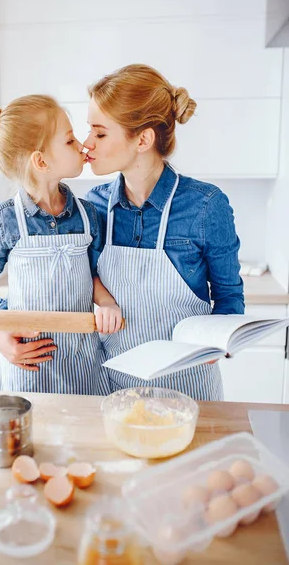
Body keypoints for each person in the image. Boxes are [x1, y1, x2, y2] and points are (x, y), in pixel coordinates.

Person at [83, 64, 244, 400]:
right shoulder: (92, 206)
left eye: (99, 133)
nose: (86, 145)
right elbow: (66, 287)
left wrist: (220, 342)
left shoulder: (205, 206)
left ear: (143, 139)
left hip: (190, 392)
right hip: (112, 391)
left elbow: (229, 299)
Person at [0, 95, 122, 394]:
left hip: (81, 361)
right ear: (41, 161)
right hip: (28, 364)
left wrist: (106, 303)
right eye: (69, 141)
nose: (81, 144)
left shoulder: (88, 215)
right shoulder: (5, 220)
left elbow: (91, 273)